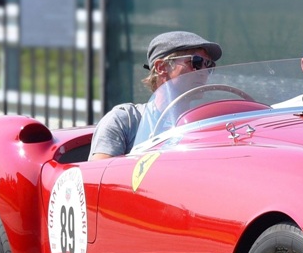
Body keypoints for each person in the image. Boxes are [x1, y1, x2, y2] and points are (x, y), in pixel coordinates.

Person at [89, 31, 223, 160]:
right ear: (161, 67)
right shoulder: (126, 120)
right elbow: (98, 176)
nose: (204, 72)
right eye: (197, 62)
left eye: (209, 65)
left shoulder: (203, 125)